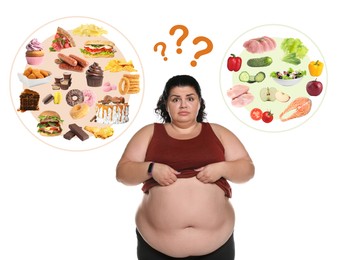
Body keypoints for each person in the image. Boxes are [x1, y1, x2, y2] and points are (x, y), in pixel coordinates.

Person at [116, 75, 254, 259]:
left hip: (217, 245)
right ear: (166, 104)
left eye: (190, 98)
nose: (183, 105)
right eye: (175, 99)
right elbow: (122, 173)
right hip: (156, 246)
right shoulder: (149, 133)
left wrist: (222, 168)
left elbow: (247, 169)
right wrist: (151, 169)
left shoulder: (218, 132)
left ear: (199, 102)